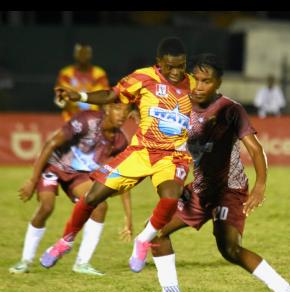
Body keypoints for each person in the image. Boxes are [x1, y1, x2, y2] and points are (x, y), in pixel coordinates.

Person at [141, 54, 290, 292]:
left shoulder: (230, 109)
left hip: (227, 192)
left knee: (229, 250)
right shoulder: (183, 105)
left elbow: (255, 149)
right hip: (198, 190)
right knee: (157, 232)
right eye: (196, 79)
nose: (198, 86)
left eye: (206, 81)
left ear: (218, 83)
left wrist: (260, 185)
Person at [40, 37, 196, 271]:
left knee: (171, 198)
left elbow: (213, 108)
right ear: (158, 63)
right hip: (141, 152)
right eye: (170, 66)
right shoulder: (143, 78)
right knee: (92, 197)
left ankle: (143, 240)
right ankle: (65, 241)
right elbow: (111, 95)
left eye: (181, 66)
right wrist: (79, 96)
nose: (176, 72)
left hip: (172, 156)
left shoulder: (193, 84)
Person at [9, 103, 133, 276]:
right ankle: (25, 260)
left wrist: (128, 217)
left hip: (79, 175)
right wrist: (32, 179)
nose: (122, 115)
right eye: (118, 109)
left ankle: (82, 263)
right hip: (54, 166)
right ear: (107, 109)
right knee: (46, 207)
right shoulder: (87, 120)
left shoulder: (120, 141)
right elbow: (51, 143)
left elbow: (122, 177)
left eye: (126, 112)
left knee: (100, 206)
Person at [54, 43, 110, 122]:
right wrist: (62, 99)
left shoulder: (99, 73)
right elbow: (62, 96)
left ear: (90, 55)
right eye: (80, 53)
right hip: (70, 119)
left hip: (93, 120)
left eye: (85, 53)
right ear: (75, 54)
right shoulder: (66, 73)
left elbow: (103, 96)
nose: (83, 56)